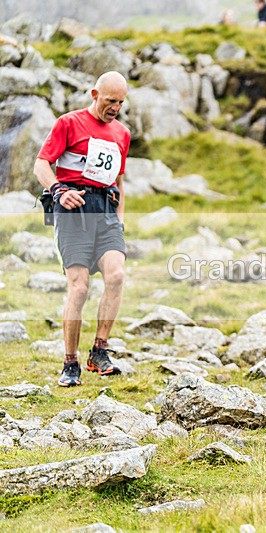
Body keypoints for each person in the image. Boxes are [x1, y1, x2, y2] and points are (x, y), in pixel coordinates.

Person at [34, 71, 130, 387]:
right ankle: (70, 363)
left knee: (116, 274)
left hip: (105, 212)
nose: (115, 107)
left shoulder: (122, 134)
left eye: (120, 102)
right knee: (79, 286)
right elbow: (41, 164)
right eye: (109, 100)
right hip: (72, 211)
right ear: (94, 94)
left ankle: (99, 351)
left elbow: (118, 181)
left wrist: (120, 219)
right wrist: (59, 190)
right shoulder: (69, 123)